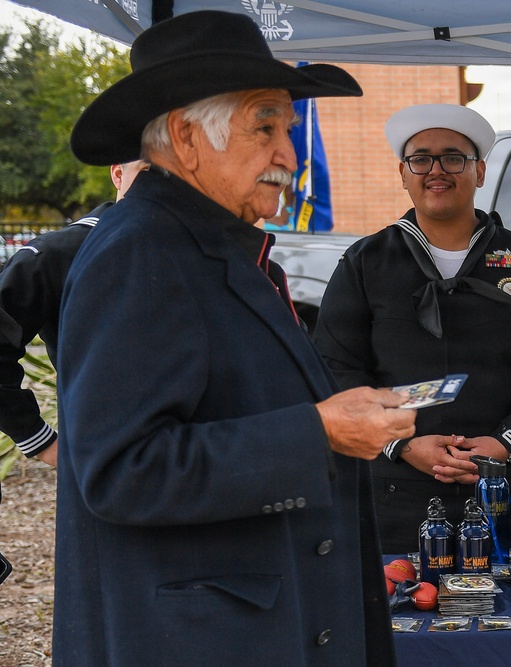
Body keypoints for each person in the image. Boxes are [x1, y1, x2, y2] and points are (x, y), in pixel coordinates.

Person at [55, 11, 415, 666]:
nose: (289, 156)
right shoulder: (140, 252)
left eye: (289, 130)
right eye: (264, 127)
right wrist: (320, 432)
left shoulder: (220, 248)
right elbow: (120, 472)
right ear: (187, 137)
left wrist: (341, 414)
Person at [312, 104, 511, 554]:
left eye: (453, 158)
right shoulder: (365, 262)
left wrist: (505, 444)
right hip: (396, 490)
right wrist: (402, 444)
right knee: (397, 598)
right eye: (421, 159)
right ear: (403, 174)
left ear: (479, 172)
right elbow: (336, 366)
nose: (436, 170)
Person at [0, 160, 147, 468]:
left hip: (205, 472)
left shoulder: (207, 254)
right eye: (149, 172)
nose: (165, 186)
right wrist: (41, 441)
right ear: (118, 174)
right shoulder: (59, 254)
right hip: (105, 472)